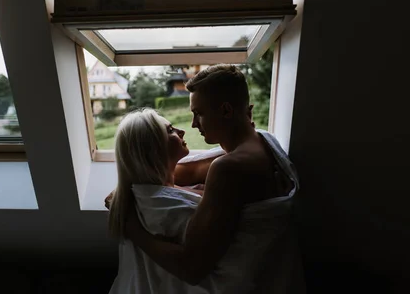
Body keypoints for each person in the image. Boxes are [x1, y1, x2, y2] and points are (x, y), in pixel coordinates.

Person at [106, 64, 305, 293]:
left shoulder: (229, 168)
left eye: (198, 113)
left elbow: (192, 269)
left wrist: (133, 229)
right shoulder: (262, 142)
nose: (192, 124)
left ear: (227, 111)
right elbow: (184, 172)